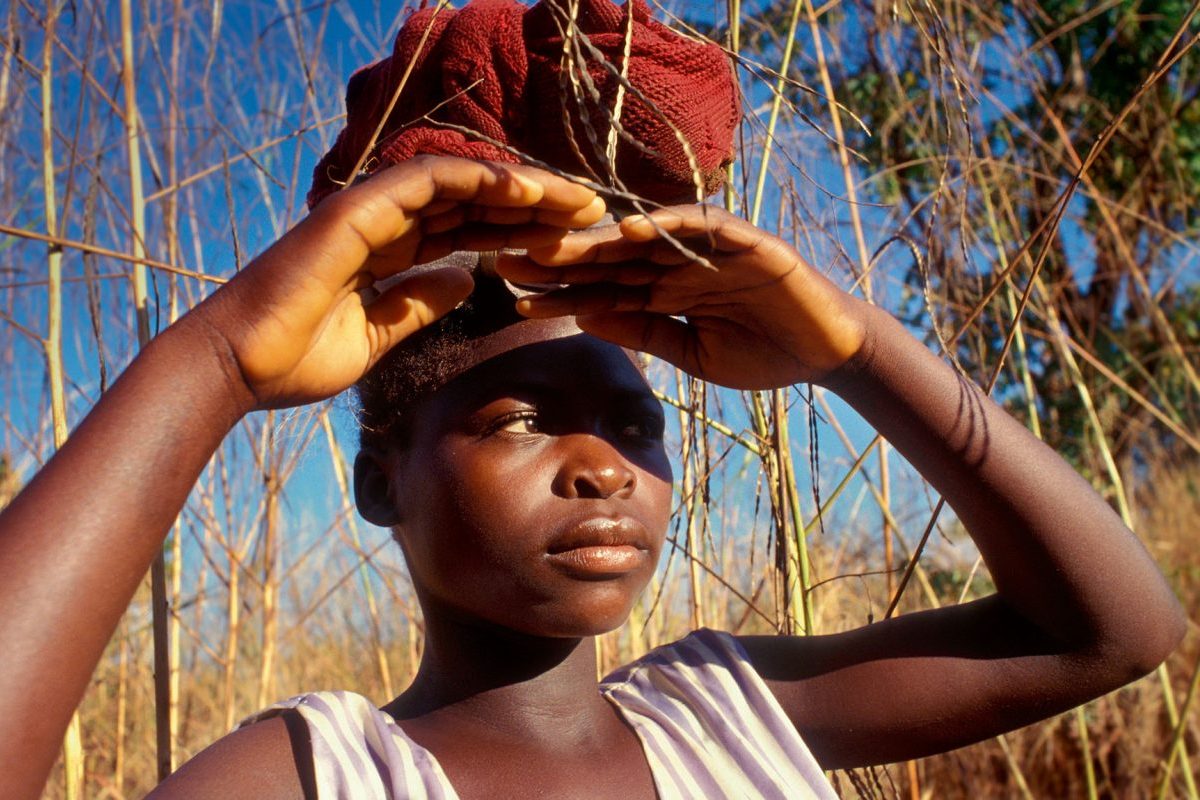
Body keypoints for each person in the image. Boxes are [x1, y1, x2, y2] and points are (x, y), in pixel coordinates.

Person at [0, 1, 1185, 798]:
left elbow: (1113, 630)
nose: (604, 465)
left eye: (635, 422)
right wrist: (214, 365)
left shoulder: (731, 710)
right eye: (519, 419)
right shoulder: (320, 770)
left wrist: (853, 345)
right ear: (379, 481)